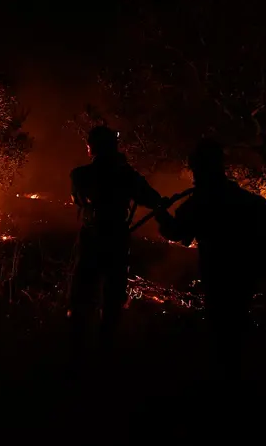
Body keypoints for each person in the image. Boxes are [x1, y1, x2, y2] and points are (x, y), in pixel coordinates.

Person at [155, 138, 266, 377]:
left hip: (218, 274)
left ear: (200, 167)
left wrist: (161, 214)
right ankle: (237, 376)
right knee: (236, 325)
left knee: (221, 330)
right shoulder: (243, 198)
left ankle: (224, 380)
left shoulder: (202, 201)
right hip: (244, 275)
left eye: (195, 167)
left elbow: (176, 232)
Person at [68, 126, 164, 363]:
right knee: (112, 296)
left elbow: (78, 199)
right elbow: (152, 199)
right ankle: (105, 348)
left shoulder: (80, 174)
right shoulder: (126, 176)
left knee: (82, 293)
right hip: (116, 240)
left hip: (92, 238)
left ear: (92, 147)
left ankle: (75, 350)